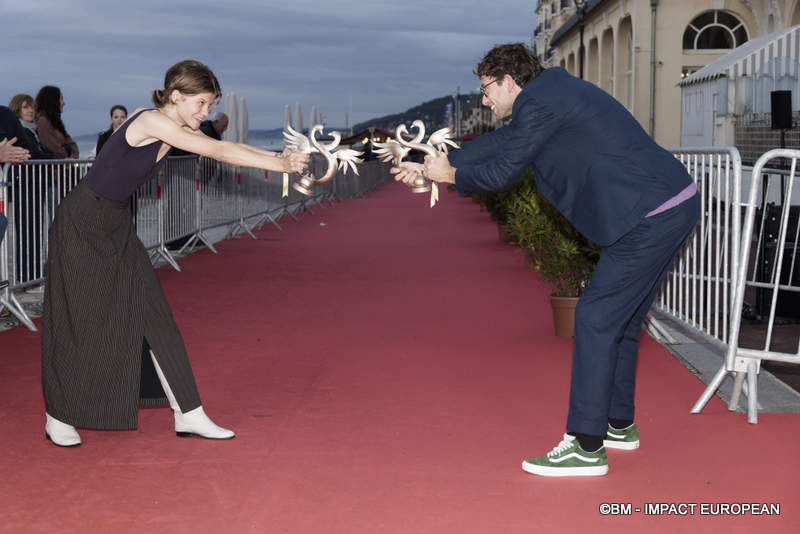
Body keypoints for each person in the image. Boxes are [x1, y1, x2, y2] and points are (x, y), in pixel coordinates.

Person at [392, 43, 700, 477]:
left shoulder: (540, 102)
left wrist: (451, 176)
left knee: (594, 317)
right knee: (621, 322)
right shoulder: (548, 94)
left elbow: (502, 173)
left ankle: (585, 446)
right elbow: (503, 141)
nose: (484, 100)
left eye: (486, 90)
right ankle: (617, 425)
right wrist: (429, 161)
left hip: (648, 214)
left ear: (508, 81)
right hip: (670, 202)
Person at [41, 59, 309, 447]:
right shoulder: (151, 122)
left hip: (114, 221)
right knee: (80, 316)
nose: (205, 113)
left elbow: (224, 144)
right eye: (200, 104)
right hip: (82, 221)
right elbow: (217, 152)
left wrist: (279, 160)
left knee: (155, 314)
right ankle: (58, 415)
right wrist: (279, 164)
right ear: (176, 96)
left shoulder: (175, 124)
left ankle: (190, 413)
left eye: (211, 106)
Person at [35, 86, 79, 159]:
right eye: (61, 99)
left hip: (63, 166)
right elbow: (52, 147)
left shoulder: (55, 122)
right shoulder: (43, 122)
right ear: (52, 100)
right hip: (54, 168)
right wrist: (66, 155)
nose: (63, 103)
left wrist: (72, 156)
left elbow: (72, 144)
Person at [8, 93, 53, 159]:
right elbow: (35, 155)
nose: (31, 111)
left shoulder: (33, 131)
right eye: (26, 107)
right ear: (16, 109)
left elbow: (48, 153)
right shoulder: (20, 131)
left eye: (32, 107)